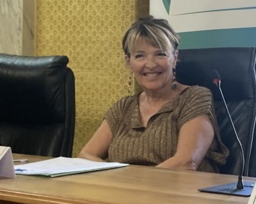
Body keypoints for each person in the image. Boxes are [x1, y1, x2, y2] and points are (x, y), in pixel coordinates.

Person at [79, 16, 228, 172]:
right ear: (128, 62)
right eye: (139, 56)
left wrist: (130, 181)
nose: (150, 64)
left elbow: (185, 163)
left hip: (177, 187)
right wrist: (120, 180)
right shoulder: (124, 107)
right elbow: (86, 156)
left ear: (175, 58)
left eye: (160, 54)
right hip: (124, 186)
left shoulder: (194, 98)